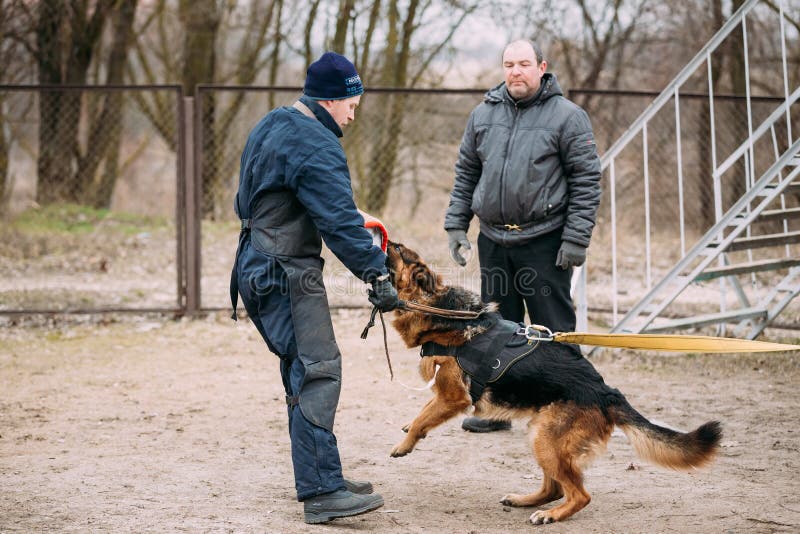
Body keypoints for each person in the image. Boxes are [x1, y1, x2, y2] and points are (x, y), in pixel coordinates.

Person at [229, 51, 399, 524]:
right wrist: (378, 273)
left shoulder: (275, 123)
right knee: (318, 368)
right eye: (352, 103)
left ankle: (322, 474)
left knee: (301, 369)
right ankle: (322, 492)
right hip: (286, 272)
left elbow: (259, 196)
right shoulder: (318, 144)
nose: (353, 113)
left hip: (255, 263)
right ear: (335, 98)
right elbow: (340, 223)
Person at [444, 40, 601, 433]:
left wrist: (576, 238)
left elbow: (586, 180)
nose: (516, 71)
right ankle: (499, 410)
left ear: (542, 67)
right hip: (493, 239)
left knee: (553, 330)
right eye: (509, 64)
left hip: (545, 241)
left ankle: (571, 407)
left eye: (524, 64)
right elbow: (466, 173)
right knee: (496, 329)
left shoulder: (568, 117)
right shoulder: (483, 115)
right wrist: (456, 226)